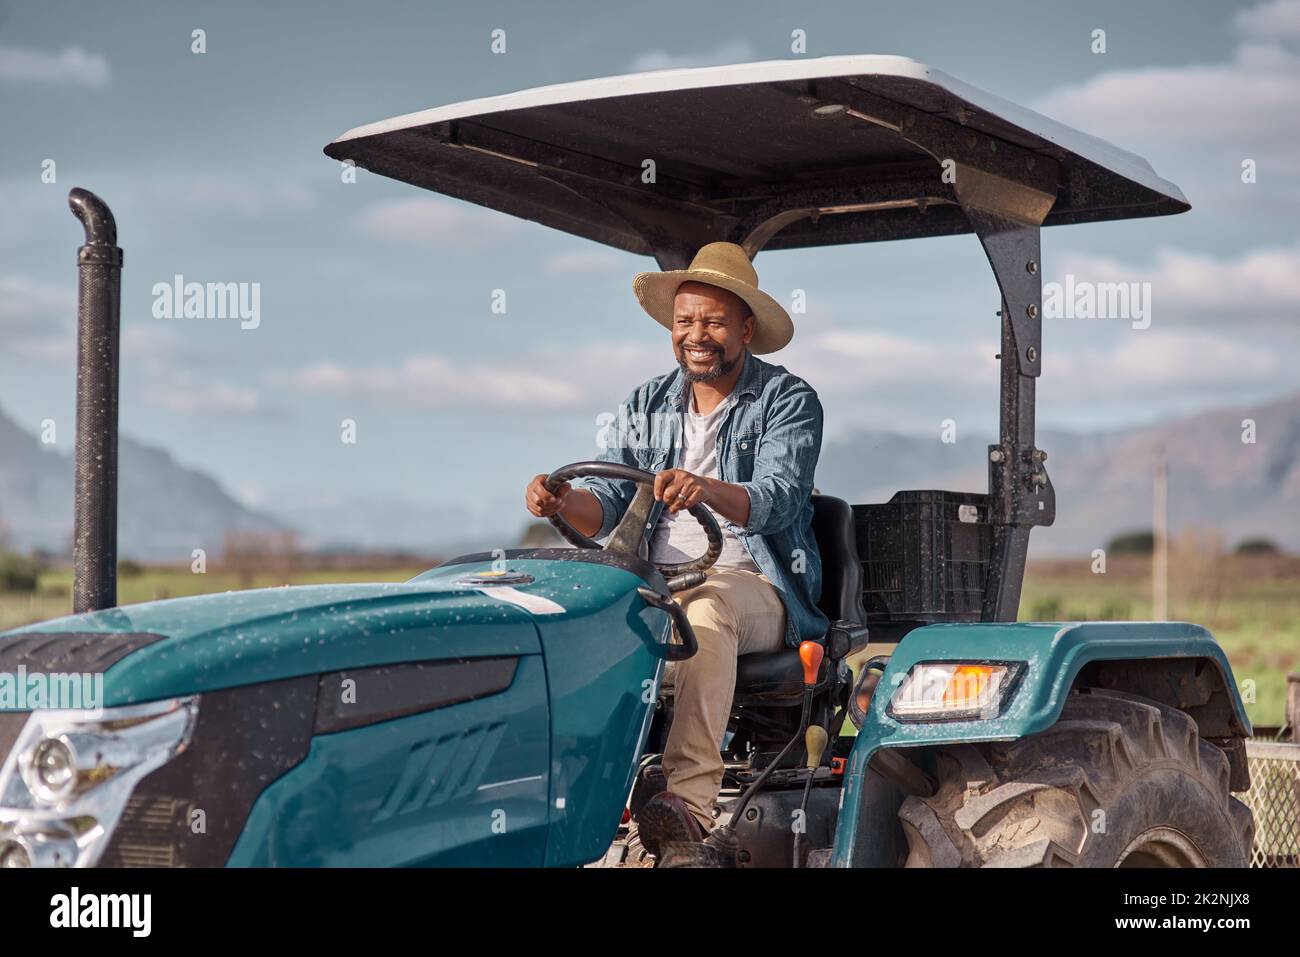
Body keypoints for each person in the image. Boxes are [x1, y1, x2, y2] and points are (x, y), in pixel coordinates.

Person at [524, 241, 824, 853]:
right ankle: (560, 801)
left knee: (704, 614)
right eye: (685, 321)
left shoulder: (787, 401)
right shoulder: (646, 403)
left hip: (753, 582)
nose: (697, 334)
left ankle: (688, 808)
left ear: (745, 327)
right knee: (555, 616)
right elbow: (606, 503)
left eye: (713, 321)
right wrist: (562, 501)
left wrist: (705, 489)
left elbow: (777, 497)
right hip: (653, 579)